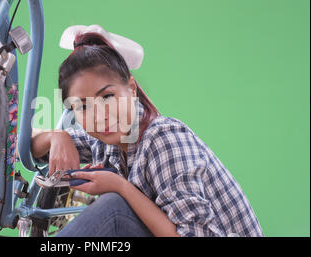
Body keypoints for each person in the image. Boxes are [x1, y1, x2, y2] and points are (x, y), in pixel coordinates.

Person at [31, 32, 263, 237]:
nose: (99, 115)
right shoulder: (106, 140)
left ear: (131, 89)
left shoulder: (164, 138)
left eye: (107, 97)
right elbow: (30, 143)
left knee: (114, 208)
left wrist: (120, 186)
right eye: (82, 106)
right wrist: (57, 136)